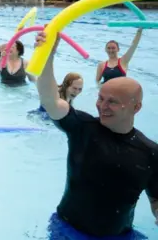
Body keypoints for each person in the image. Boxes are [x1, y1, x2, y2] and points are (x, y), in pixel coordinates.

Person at [35, 29, 158, 238]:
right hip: (69, 230)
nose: (102, 106)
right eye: (101, 98)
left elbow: (155, 198)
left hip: (121, 235)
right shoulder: (82, 127)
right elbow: (50, 99)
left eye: (112, 102)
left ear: (136, 108)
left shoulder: (150, 152)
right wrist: (48, 54)